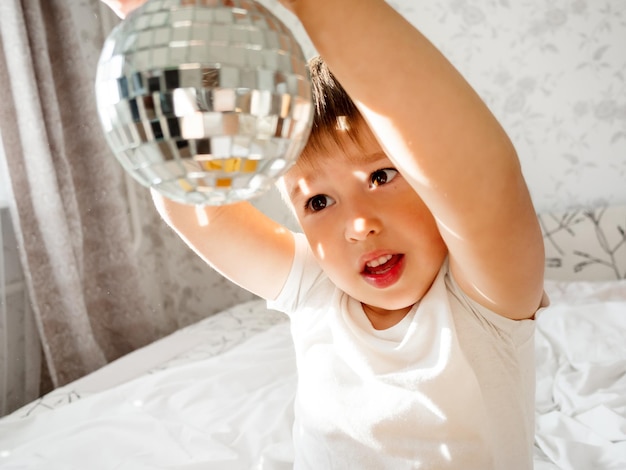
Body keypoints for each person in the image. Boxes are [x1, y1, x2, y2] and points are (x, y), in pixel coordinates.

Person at [106, 1, 547, 468]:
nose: (359, 227)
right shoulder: (316, 288)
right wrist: (177, 29)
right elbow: (195, 208)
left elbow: (485, 181)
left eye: (381, 176)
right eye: (318, 202)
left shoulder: (484, 301)